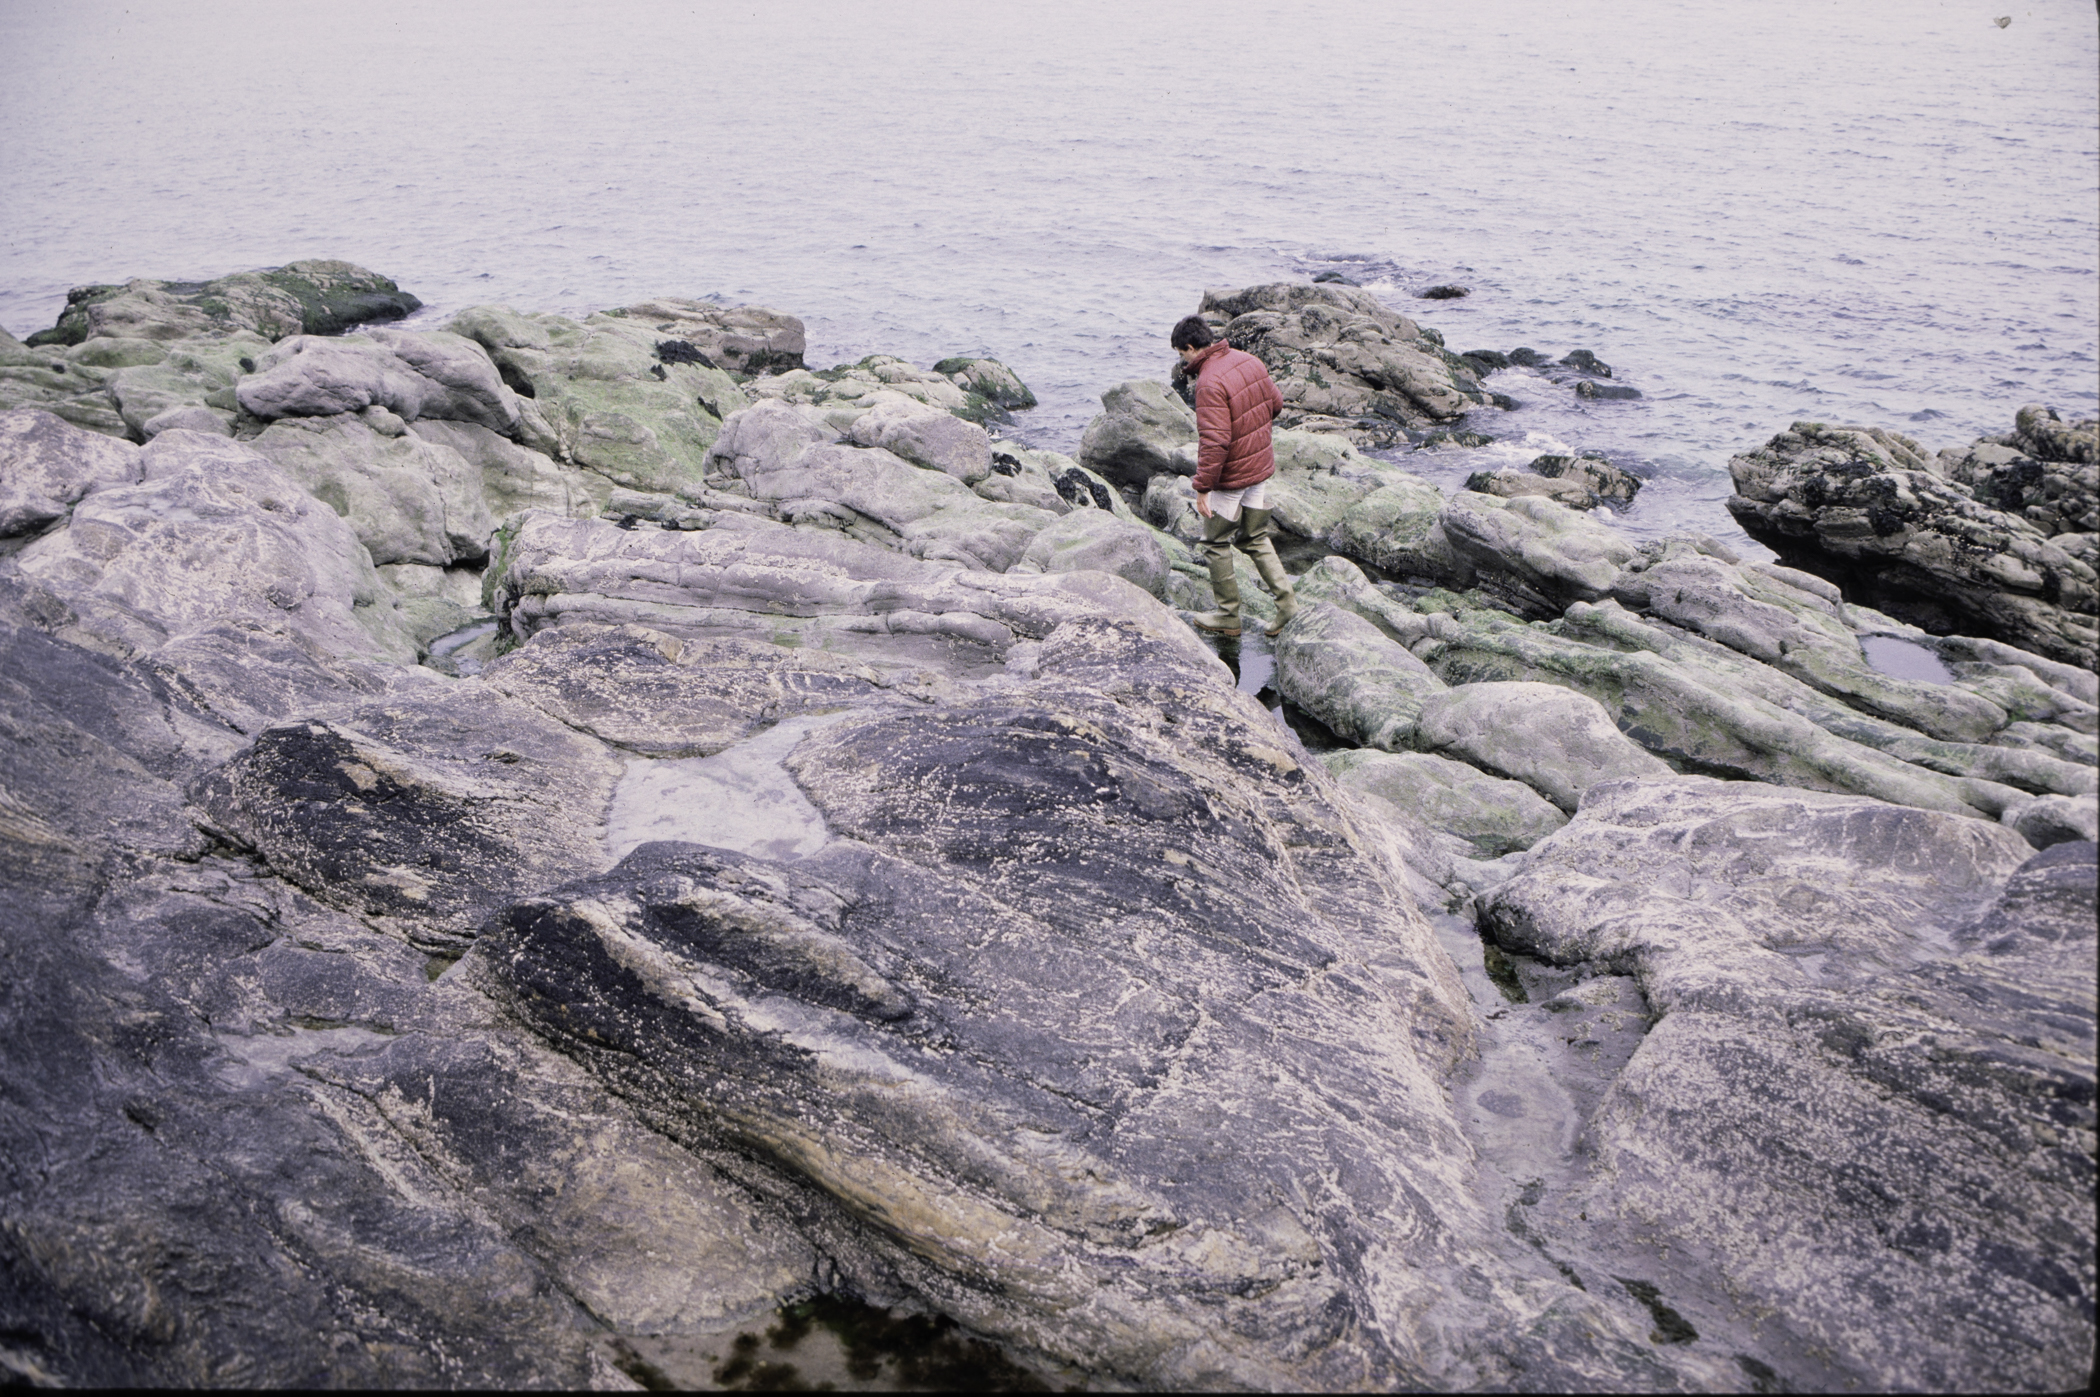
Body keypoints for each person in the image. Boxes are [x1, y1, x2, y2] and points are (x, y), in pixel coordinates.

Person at [1171, 314, 1299, 638]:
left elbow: (1215, 442)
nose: (1181, 360)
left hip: (1232, 476)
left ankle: (1228, 616)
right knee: (1255, 537)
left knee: (1214, 541)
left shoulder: (1208, 382)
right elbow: (1277, 404)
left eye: (1180, 354)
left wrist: (1202, 487)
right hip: (1259, 468)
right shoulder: (1249, 360)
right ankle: (1287, 605)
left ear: (1190, 347)